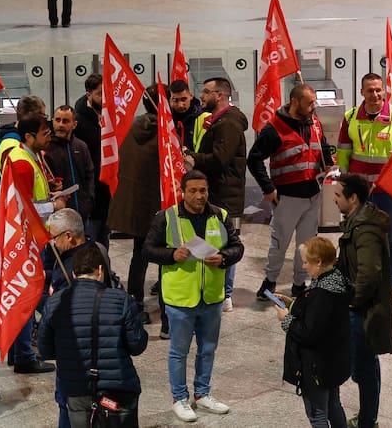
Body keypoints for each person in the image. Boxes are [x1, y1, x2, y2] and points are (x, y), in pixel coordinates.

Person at [143, 169, 244, 423]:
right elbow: (147, 250)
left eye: (203, 190)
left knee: (208, 349)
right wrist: (171, 255)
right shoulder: (167, 217)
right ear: (183, 192)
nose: (199, 196)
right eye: (193, 191)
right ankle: (179, 398)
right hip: (180, 299)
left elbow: (237, 247)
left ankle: (202, 394)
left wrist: (224, 259)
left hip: (211, 297)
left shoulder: (220, 215)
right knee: (179, 351)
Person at [40, 245, 148, 428]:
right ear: (100, 270)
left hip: (76, 388)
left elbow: (45, 350)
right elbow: (137, 345)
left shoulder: (54, 302)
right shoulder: (121, 299)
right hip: (117, 391)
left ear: (73, 273)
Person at [248, 84, 333, 301]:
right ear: (295, 102)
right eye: (309, 103)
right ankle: (269, 281)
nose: (314, 107)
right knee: (280, 243)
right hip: (286, 197)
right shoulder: (274, 128)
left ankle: (299, 284)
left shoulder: (314, 122)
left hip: (313, 195)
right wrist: (268, 188)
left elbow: (322, 145)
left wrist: (328, 162)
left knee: (306, 245)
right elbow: (254, 159)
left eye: (314, 102)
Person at [41, 210, 124, 428]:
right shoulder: (95, 249)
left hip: (76, 358)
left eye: (54, 237)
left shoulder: (77, 266)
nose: (52, 243)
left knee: (69, 410)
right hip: (97, 355)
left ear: (68, 236)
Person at [336, 73, 392, 306]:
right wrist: (345, 188)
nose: (375, 94)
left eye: (379, 90)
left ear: (384, 91)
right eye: (370, 90)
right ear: (362, 92)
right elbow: (343, 152)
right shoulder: (350, 117)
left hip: (390, 192)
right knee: (357, 236)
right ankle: (357, 281)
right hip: (359, 194)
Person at [0, 112, 60, 375]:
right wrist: (54, 205)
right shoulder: (22, 163)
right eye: (45, 133)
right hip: (29, 241)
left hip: (31, 237)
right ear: (29, 136)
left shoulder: (28, 158)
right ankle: (23, 355)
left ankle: (18, 351)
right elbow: (23, 209)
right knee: (27, 296)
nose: (49, 136)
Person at [332, 174, 392, 428]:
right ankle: (369, 417)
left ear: (353, 198)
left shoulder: (365, 229)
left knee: (365, 368)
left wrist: (352, 302)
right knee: (365, 365)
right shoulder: (358, 221)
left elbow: (368, 274)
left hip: (364, 310)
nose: (334, 200)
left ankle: (368, 420)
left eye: (337, 195)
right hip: (360, 307)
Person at [271, 237, 351, 428]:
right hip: (333, 361)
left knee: (317, 415)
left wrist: (286, 319)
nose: (304, 266)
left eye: (307, 262)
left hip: (316, 366)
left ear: (319, 262)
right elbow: (319, 318)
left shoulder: (321, 294)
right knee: (333, 405)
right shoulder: (335, 281)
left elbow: (309, 332)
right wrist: (293, 303)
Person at [189, 77, 249, 310]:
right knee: (211, 241)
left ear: (220, 95)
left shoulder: (228, 123)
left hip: (226, 195)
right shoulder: (220, 120)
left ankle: (225, 294)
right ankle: (215, 288)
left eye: (206, 92)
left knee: (225, 243)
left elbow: (220, 159)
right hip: (219, 192)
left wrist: (193, 157)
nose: (201, 96)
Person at [106, 95, 162, 324]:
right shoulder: (163, 133)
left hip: (136, 203)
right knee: (165, 255)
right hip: (158, 203)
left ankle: (135, 300)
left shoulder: (131, 128)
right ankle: (167, 308)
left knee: (139, 255)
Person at [72, 74, 111, 245]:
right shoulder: (79, 121)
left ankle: (105, 271)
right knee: (89, 242)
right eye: (100, 94)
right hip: (90, 192)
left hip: (107, 191)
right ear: (89, 95)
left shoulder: (109, 116)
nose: (104, 99)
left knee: (104, 240)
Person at [43, 105, 96, 224]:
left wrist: (89, 201)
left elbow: (90, 175)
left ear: (74, 124)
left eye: (65, 121)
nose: (60, 125)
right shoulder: (45, 149)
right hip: (57, 215)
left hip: (81, 213)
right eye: (57, 120)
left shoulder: (81, 147)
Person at [170, 79, 203, 151]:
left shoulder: (203, 118)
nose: (180, 105)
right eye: (175, 100)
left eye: (184, 99)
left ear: (191, 96)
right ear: (170, 100)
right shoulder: (166, 120)